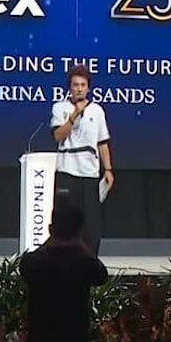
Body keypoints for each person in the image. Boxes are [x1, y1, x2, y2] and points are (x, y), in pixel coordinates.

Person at [18, 202, 107, 342]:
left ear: (51, 229)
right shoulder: (84, 265)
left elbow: (26, 263)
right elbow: (101, 274)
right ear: (79, 232)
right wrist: (81, 246)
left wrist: (49, 242)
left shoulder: (35, 263)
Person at [50, 64, 114, 256]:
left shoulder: (97, 111)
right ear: (69, 87)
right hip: (66, 172)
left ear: (88, 88)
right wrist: (74, 117)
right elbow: (58, 136)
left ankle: (89, 262)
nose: (79, 89)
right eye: (75, 85)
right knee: (65, 222)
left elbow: (102, 143)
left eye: (83, 85)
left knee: (91, 226)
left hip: (89, 174)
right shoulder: (60, 108)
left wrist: (108, 169)